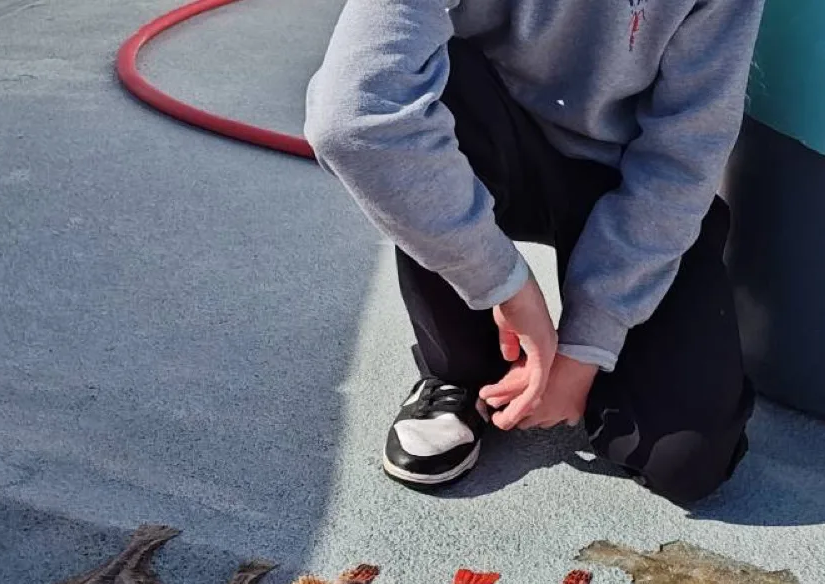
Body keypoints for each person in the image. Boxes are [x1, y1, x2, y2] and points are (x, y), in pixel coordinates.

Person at [304, 0, 766, 504]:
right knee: (419, 88)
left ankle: (575, 372)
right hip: (482, 134)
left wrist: (588, 344)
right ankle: (459, 372)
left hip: (625, 174)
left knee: (686, 459)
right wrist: (502, 283)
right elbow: (356, 116)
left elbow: (684, 154)